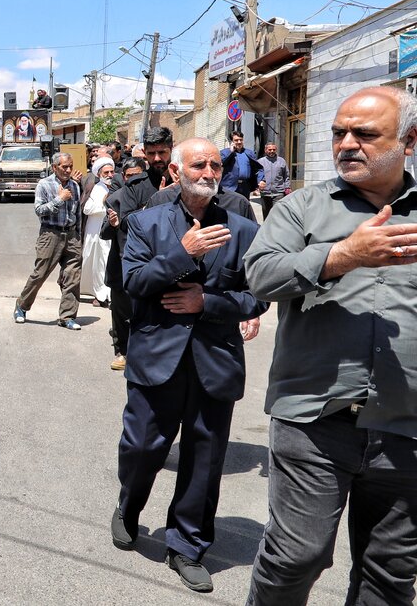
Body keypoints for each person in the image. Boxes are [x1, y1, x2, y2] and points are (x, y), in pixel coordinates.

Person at [245, 87, 417, 605]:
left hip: (406, 426)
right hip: (315, 418)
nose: (346, 144)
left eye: (364, 134)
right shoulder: (301, 208)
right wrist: (342, 255)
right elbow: (259, 275)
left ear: (409, 141)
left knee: (389, 574)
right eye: (338, 132)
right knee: (296, 557)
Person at [111, 138, 265, 593]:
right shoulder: (145, 223)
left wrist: (208, 302)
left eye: (216, 165)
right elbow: (134, 283)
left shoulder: (243, 230)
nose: (209, 172)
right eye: (199, 164)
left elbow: (258, 297)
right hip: (156, 358)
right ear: (177, 172)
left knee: (204, 457)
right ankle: (129, 505)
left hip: (214, 360)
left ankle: (188, 544)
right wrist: (184, 253)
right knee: (142, 447)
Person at [103, 127, 175, 367]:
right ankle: (123, 350)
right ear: (144, 153)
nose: (157, 158)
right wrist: (158, 203)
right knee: (127, 309)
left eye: (162, 152)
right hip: (139, 260)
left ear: (171, 150)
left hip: (173, 259)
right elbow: (128, 221)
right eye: (152, 153)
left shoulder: (183, 181)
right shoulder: (136, 186)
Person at [13, 152, 82, 330]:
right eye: (64, 167)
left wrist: (79, 237)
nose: (68, 170)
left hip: (71, 235)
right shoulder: (44, 184)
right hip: (50, 234)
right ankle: (21, 306)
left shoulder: (75, 185)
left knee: (72, 277)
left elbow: (77, 213)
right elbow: (39, 210)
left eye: (70, 166)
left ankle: (67, 317)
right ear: (54, 167)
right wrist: (59, 199)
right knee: (40, 274)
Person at [80, 157, 115, 307]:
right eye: (106, 172)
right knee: (98, 263)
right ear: (99, 174)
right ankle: (100, 295)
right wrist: (104, 204)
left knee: (106, 263)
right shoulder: (97, 188)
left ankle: (105, 294)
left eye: (112, 171)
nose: (110, 175)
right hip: (96, 233)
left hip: (108, 233)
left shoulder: (113, 187)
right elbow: (87, 209)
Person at [254, 141, 290, 218]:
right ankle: (267, 230)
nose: (272, 151)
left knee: (277, 215)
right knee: (266, 215)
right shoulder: (260, 162)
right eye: (270, 149)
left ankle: (277, 230)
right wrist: (256, 187)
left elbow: (286, 176)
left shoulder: (281, 161)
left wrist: (287, 187)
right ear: (265, 150)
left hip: (279, 193)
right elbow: (255, 175)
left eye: (274, 149)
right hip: (265, 193)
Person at [220, 132, 259, 198]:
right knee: (230, 206)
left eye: (241, 140)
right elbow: (222, 163)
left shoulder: (249, 153)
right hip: (230, 186)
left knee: (243, 206)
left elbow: (257, 168)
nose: (239, 142)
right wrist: (231, 152)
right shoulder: (224, 152)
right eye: (236, 140)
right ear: (231, 141)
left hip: (245, 186)